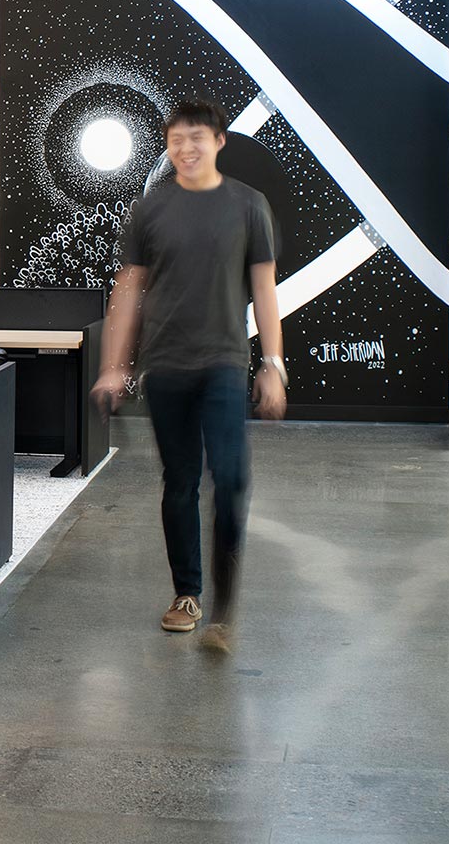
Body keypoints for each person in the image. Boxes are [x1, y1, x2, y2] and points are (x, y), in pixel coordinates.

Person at [91, 97, 287, 655]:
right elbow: (128, 289)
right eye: (176, 138)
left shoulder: (249, 206)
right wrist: (113, 366)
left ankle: (225, 608)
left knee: (230, 479)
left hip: (224, 362)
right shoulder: (150, 209)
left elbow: (265, 292)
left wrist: (272, 364)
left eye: (197, 137)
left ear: (220, 142)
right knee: (179, 483)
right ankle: (187, 595)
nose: (186, 147)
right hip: (167, 366)